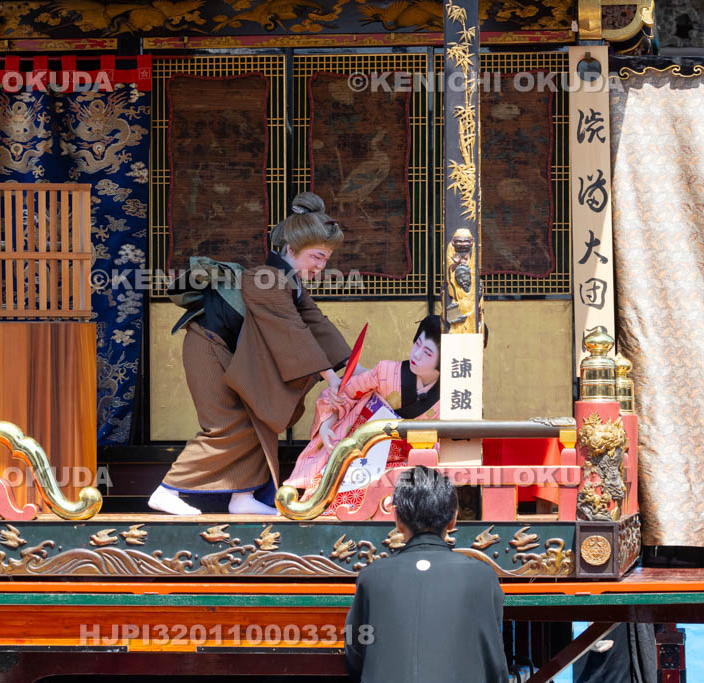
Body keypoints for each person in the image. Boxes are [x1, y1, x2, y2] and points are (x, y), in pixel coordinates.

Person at [149, 192, 351, 515]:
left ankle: (241, 499)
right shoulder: (267, 279)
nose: (321, 265)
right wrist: (330, 378)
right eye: (316, 256)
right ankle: (166, 489)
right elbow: (292, 332)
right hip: (208, 346)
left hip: (224, 350)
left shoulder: (292, 284)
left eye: (326, 259)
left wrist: (352, 368)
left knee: (256, 420)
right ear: (291, 249)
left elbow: (317, 325)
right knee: (225, 427)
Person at [345, 466, 507, 683]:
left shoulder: (372, 577)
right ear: (453, 519)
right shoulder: (482, 576)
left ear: (398, 520)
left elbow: (355, 647)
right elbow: (494, 657)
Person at [286, 314, 442, 495]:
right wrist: (327, 424)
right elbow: (344, 393)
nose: (416, 354)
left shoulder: (446, 398)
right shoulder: (386, 372)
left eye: (427, 352)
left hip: (403, 463)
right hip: (360, 452)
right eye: (417, 344)